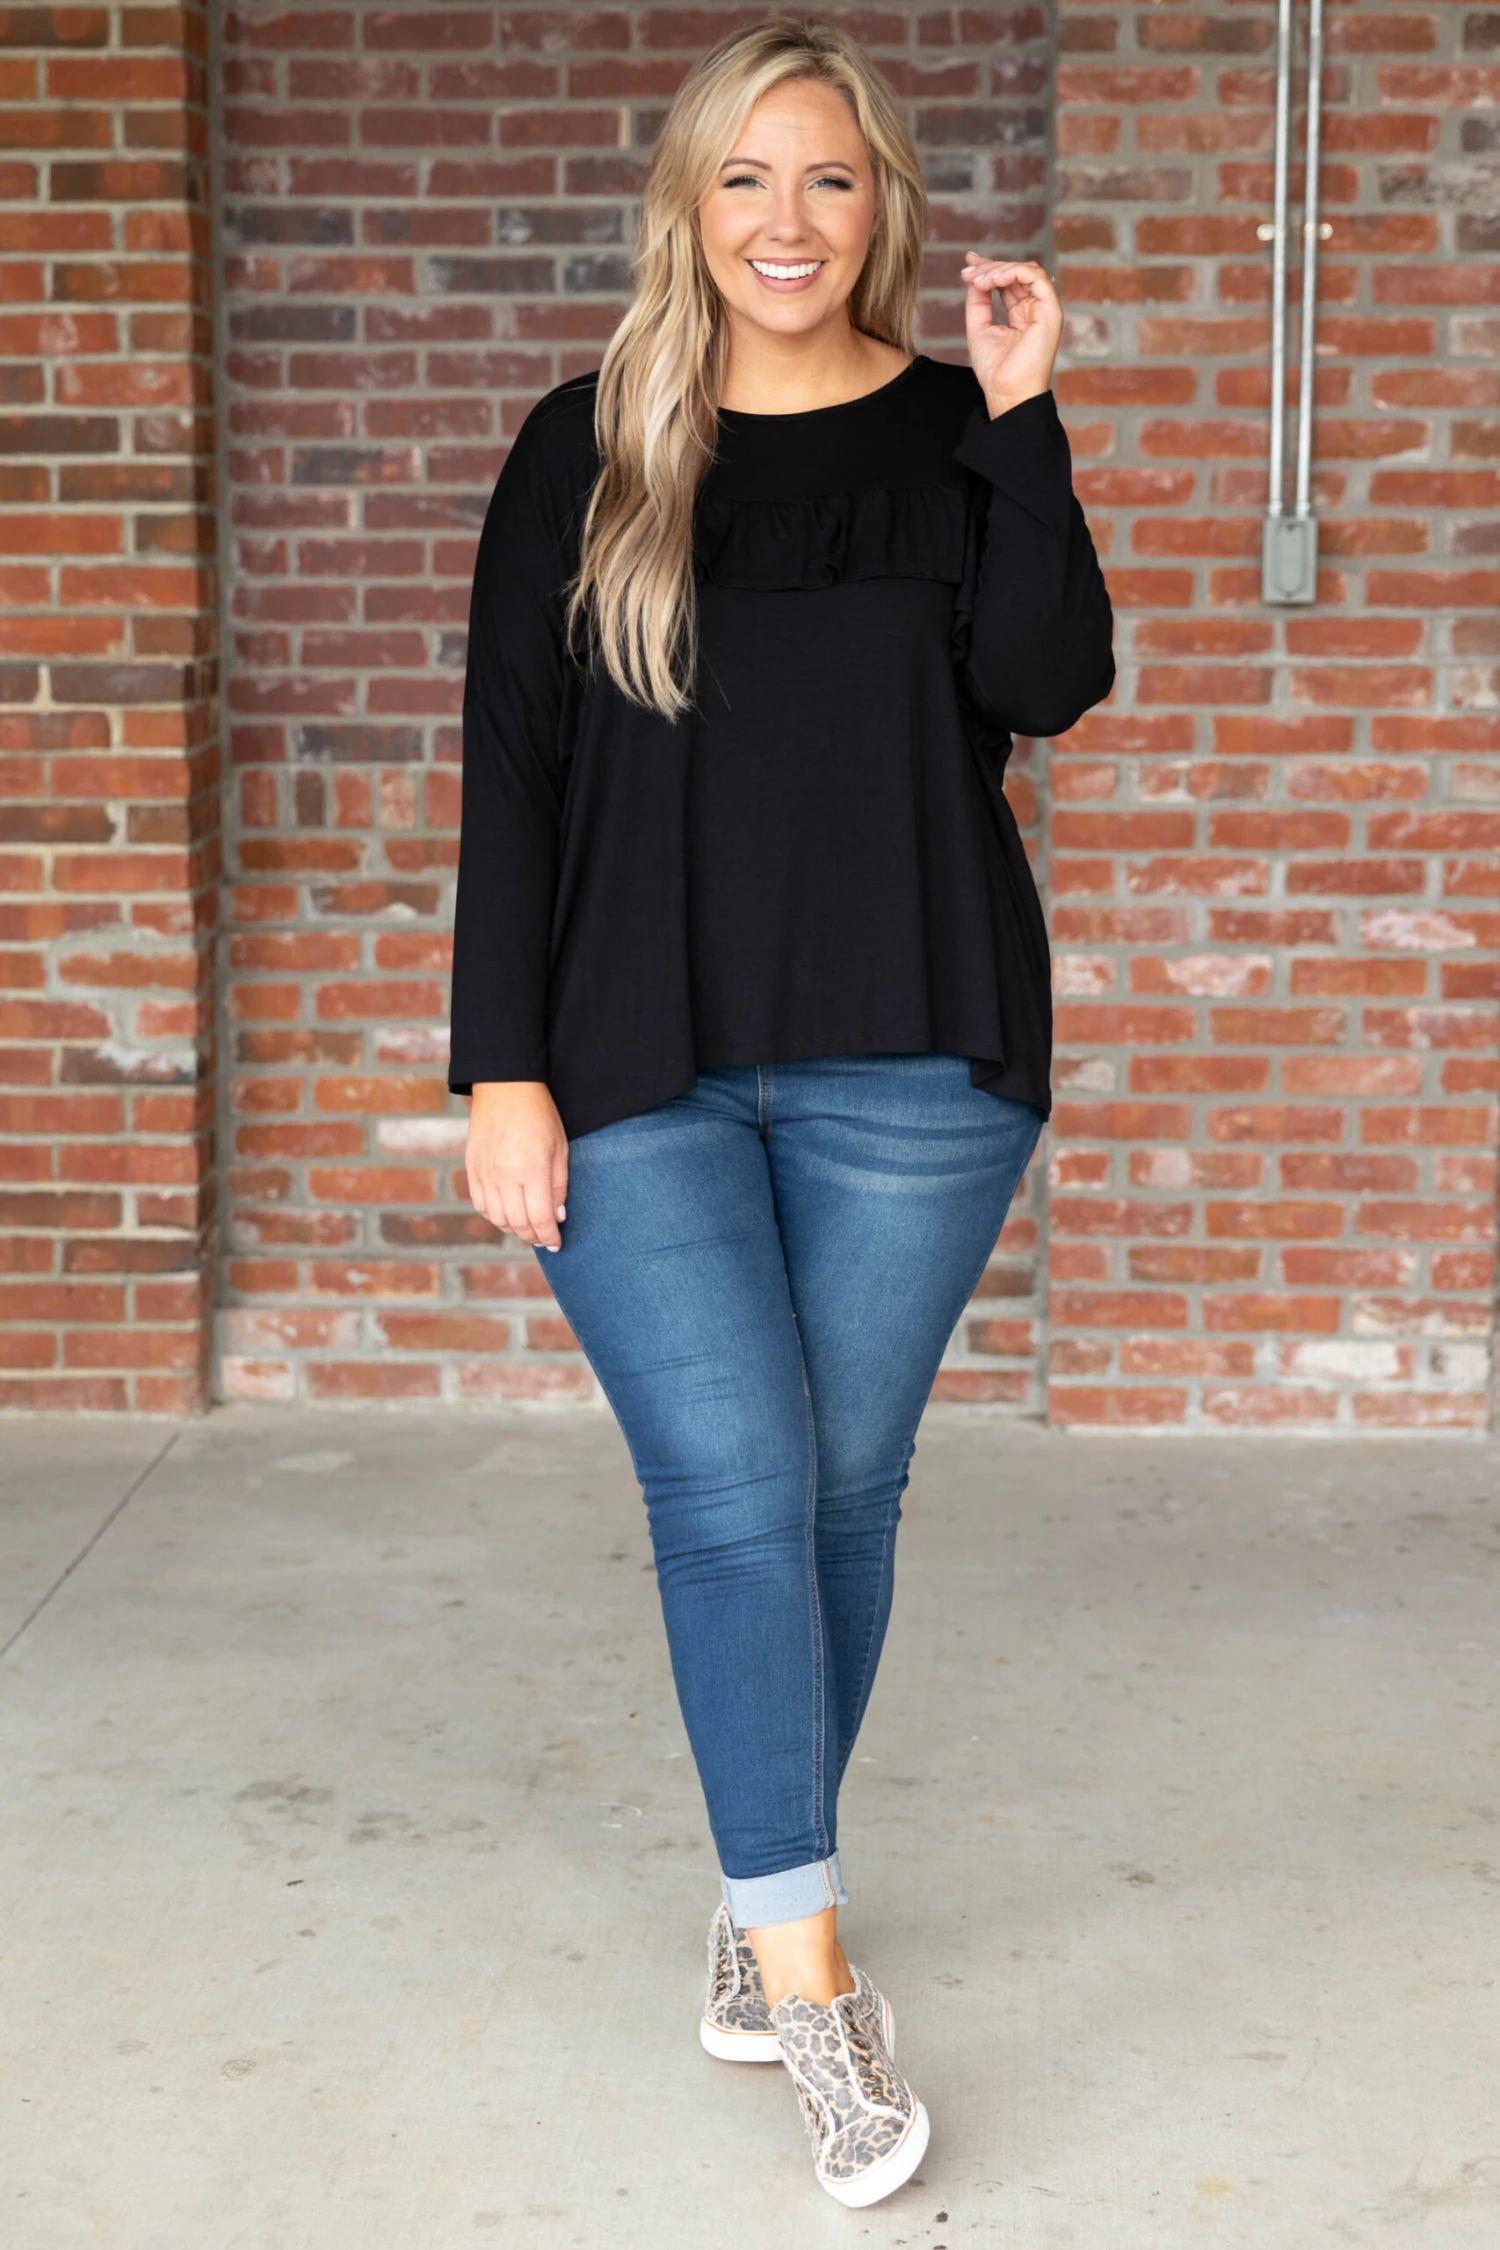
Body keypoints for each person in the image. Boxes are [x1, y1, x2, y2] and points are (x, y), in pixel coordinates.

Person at [449, 11, 1114, 2210]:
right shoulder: (584, 447)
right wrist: (502, 1070)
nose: (788, 218)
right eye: (746, 176)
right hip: (631, 1052)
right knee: (733, 1491)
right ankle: (815, 1991)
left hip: (917, 1052)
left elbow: (1046, 683)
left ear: (881, 206)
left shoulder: (952, 433)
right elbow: (513, 776)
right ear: (689, 204)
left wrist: (1026, 417)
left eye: (829, 176)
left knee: (840, 1496)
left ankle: (757, 1906)